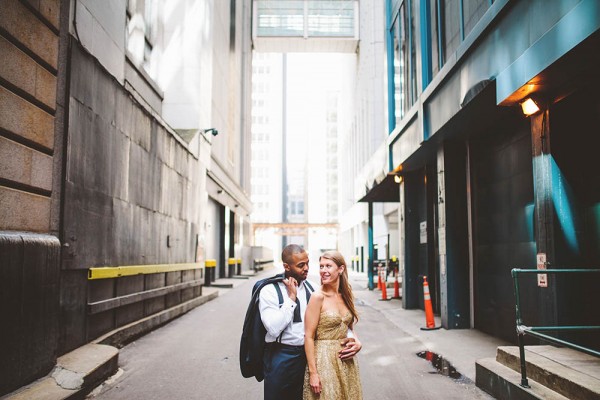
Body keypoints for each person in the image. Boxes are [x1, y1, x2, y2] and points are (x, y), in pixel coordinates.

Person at [260, 244, 361, 400]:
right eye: (301, 265)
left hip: (310, 355)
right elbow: (273, 328)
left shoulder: (313, 289)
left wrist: (354, 339)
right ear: (287, 266)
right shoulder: (270, 291)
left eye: (307, 263)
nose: (307, 268)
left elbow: (334, 321)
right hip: (283, 355)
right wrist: (291, 299)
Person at [303, 250, 363, 400]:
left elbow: (348, 328)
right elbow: (308, 337)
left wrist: (358, 342)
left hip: (346, 361)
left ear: (340, 269)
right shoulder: (317, 297)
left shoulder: (346, 295)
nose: (323, 271)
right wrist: (313, 373)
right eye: (321, 266)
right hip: (324, 361)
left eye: (328, 266)